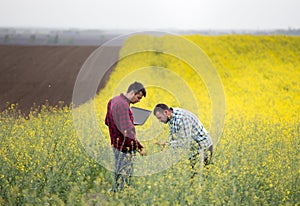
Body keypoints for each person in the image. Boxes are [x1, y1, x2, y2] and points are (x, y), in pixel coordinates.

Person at [105, 81, 147, 192]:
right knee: (125, 176)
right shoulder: (123, 106)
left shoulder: (113, 100)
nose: (138, 101)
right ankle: (121, 197)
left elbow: (107, 121)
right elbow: (127, 132)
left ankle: (115, 193)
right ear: (132, 92)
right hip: (125, 147)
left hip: (115, 145)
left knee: (118, 173)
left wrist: (128, 122)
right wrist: (139, 147)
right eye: (138, 98)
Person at [153, 103, 213, 177]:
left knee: (201, 176)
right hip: (194, 149)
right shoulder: (171, 117)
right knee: (193, 175)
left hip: (204, 147)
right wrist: (166, 144)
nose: (160, 121)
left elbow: (185, 141)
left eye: (160, 118)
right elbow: (173, 135)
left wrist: (168, 144)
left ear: (166, 112)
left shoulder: (183, 118)